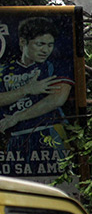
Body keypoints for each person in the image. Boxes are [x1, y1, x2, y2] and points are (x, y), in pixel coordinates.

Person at [0, 17, 74, 175]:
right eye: (39, 44)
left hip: (49, 132)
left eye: (50, 45)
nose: (45, 50)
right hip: (14, 141)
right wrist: (26, 89)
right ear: (23, 42)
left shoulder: (55, 65)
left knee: (58, 185)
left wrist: (18, 116)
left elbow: (57, 99)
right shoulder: (5, 70)